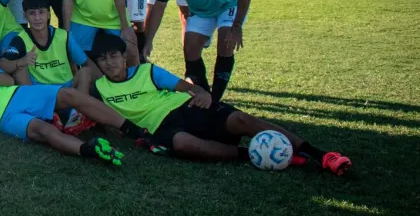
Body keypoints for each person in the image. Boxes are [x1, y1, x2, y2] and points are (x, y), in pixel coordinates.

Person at [88, 33, 350, 174]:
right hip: (161, 127)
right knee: (184, 144)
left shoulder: (147, 72)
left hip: (187, 108)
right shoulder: (99, 89)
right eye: (103, 59)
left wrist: (201, 92)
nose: (109, 63)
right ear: (98, 63)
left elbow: (188, 87)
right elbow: (102, 119)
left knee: (241, 120)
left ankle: (321, 155)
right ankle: (251, 155)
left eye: (113, 56)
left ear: (124, 57)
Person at [0, 31, 142, 163]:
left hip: (15, 95)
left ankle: (134, 130)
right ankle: (89, 149)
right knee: (43, 131)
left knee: (69, 95)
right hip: (0, 119)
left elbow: (7, 81)